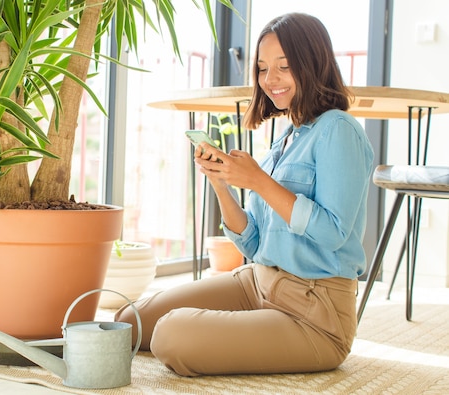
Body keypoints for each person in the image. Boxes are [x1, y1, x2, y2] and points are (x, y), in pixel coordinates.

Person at [114, 12, 374, 377]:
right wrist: (221, 183)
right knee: (129, 320)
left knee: (171, 334)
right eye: (263, 68)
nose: (271, 80)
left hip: (314, 313)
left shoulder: (338, 130)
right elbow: (252, 244)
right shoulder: (286, 139)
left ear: (313, 63)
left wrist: (258, 182)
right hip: (257, 282)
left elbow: (333, 233)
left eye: (284, 67)